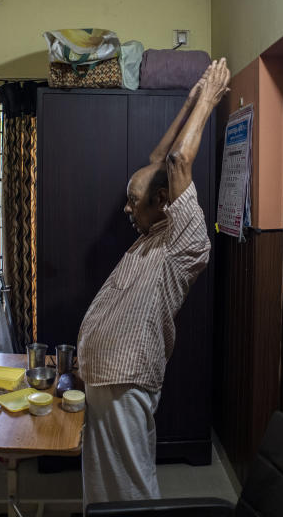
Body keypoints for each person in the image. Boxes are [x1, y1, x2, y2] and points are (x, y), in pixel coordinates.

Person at [77, 57, 231, 504]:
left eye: (132, 202)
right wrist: (186, 103)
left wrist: (208, 99)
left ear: (163, 201)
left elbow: (179, 160)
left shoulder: (183, 239)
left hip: (127, 379)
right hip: (109, 377)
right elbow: (157, 162)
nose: (127, 209)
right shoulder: (156, 229)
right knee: (106, 485)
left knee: (130, 486)